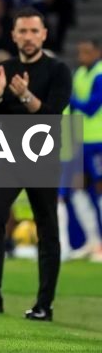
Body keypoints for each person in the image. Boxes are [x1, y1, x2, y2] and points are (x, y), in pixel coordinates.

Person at [0, 7, 72, 321]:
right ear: (13, 35)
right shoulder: (5, 68)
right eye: (22, 31)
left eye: (34, 31)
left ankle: (44, 303)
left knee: (47, 228)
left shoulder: (58, 70)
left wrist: (26, 95)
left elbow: (51, 116)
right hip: (8, 156)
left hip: (42, 157)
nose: (28, 37)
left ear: (43, 34)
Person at [67, 39, 102, 261]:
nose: (83, 56)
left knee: (100, 188)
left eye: (87, 52)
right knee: (76, 189)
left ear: (98, 52)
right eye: (80, 52)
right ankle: (93, 241)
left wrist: (68, 97)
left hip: (99, 140)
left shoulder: (100, 74)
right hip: (80, 141)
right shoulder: (80, 73)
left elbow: (90, 107)